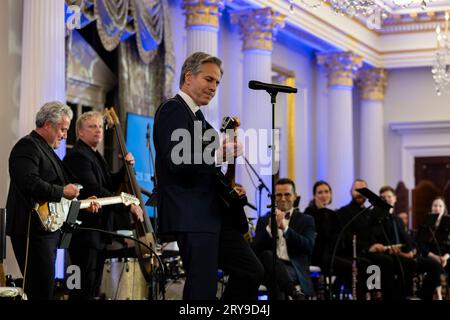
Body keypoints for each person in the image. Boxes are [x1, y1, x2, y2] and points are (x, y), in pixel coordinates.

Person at [153, 51, 263, 300]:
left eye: (217, 82)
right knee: (202, 287)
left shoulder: (199, 118)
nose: (214, 87)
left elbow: (207, 169)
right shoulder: (173, 109)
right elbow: (176, 160)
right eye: (209, 79)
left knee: (251, 271)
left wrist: (228, 185)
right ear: (188, 76)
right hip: (191, 213)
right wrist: (217, 154)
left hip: (213, 213)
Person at [5, 101, 99, 300]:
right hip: (32, 231)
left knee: (45, 289)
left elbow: (59, 196)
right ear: (48, 124)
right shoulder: (27, 146)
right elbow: (28, 182)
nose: (65, 135)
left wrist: (81, 205)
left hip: (45, 232)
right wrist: (62, 191)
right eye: (63, 130)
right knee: (40, 291)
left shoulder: (48, 151)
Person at [63, 111, 144, 300]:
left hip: (97, 233)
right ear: (80, 132)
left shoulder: (94, 155)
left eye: (100, 126)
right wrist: (127, 205)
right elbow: (95, 190)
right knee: (83, 289)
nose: (98, 130)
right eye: (92, 127)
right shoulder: (78, 156)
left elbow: (109, 183)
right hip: (85, 235)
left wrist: (126, 168)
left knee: (92, 288)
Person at [370, 186, 441, 300]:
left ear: (395, 199)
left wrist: (413, 249)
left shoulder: (397, 219)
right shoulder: (377, 219)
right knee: (407, 264)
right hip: (392, 256)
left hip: (406, 255)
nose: (387, 199)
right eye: (383, 197)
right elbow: (379, 240)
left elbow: (407, 238)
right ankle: (403, 296)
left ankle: (423, 297)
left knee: (434, 265)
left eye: (389, 196)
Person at [252, 178, 315, 300]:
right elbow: (255, 250)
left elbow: (308, 247)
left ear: (295, 196)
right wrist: (270, 229)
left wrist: (285, 229)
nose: (283, 198)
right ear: (274, 197)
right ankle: (293, 293)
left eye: (287, 194)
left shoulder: (306, 220)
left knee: (274, 277)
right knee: (267, 256)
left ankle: (292, 292)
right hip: (267, 267)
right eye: (279, 195)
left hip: (293, 267)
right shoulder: (264, 220)